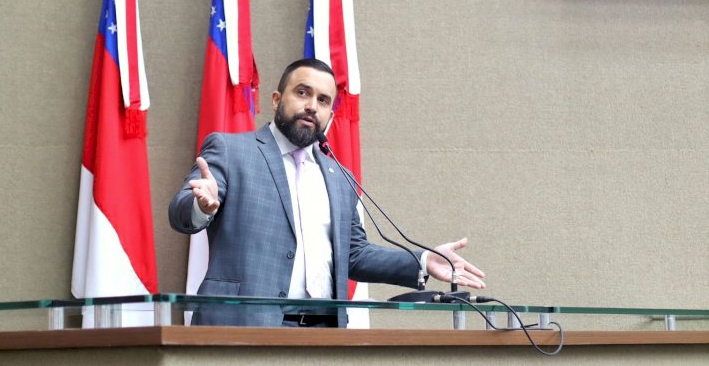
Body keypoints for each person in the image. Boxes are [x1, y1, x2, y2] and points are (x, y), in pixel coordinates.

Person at [169, 58, 486, 327]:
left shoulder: (338, 177)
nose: (311, 106)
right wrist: (203, 208)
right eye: (302, 93)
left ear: (331, 116)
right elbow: (181, 211)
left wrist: (424, 260)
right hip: (242, 326)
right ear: (277, 100)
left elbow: (355, 254)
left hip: (323, 333)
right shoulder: (232, 150)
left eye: (323, 100)